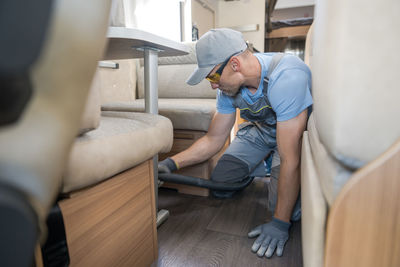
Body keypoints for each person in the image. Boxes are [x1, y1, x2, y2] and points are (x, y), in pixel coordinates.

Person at [158, 28, 312, 259]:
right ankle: (265, 163)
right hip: (258, 133)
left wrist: (280, 223)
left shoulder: (287, 76)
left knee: (290, 212)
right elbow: (213, 139)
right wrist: (170, 164)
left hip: (289, 139)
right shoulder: (227, 90)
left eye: (212, 77)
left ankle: (271, 167)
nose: (212, 85)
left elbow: (291, 159)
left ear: (234, 64)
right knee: (221, 183)